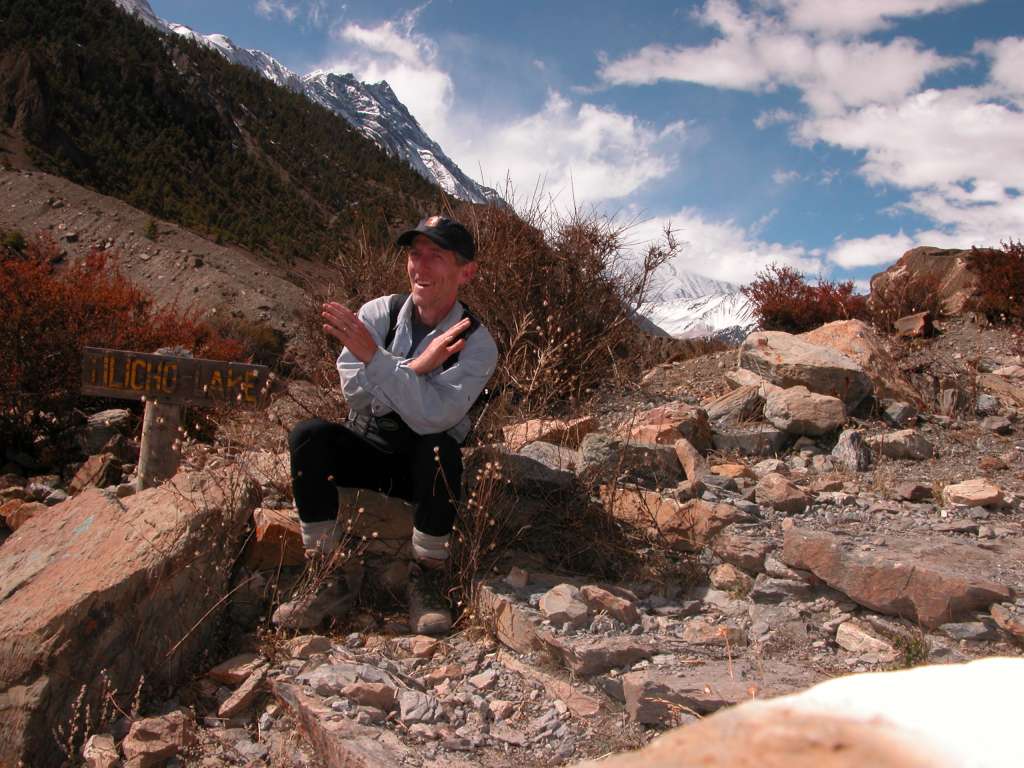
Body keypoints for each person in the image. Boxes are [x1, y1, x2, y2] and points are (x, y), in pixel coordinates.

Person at [273, 216, 498, 634]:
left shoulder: (478, 344)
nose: (420, 266)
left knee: (438, 449)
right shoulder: (378, 313)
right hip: (368, 447)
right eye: (415, 254)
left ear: (466, 272)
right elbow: (355, 395)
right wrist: (417, 368)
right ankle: (328, 575)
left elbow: (434, 416)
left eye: (437, 256)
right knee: (308, 437)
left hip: (421, 469)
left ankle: (427, 577)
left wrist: (379, 363)